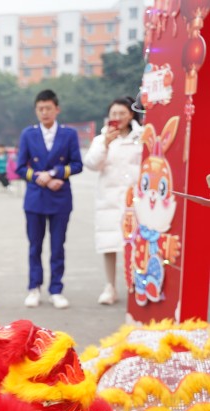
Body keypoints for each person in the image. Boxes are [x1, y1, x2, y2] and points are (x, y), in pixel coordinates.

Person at [16, 89, 83, 309]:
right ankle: (34, 287)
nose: (44, 113)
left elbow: (77, 164)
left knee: (57, 246)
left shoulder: (69, 134)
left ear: (57, 109)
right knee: (35, 245)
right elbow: (19, 167)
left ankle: (56, 289)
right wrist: (39, 178)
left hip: (60, 197)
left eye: (48, 109)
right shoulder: (28, 134)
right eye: (40, 109)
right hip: (35, 198)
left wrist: (54, 174)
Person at [83, 97, 143, 305]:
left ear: (131, 115)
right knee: (109, 244)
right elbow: (91, 164)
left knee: (137, 244)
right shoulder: (101, 139)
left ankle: (137, 284)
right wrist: (106, 144)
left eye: (121, 114)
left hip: (134, 200)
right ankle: (110, 286)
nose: (117, 118)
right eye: (113, 114)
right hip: (108, 199)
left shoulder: (142, 136)